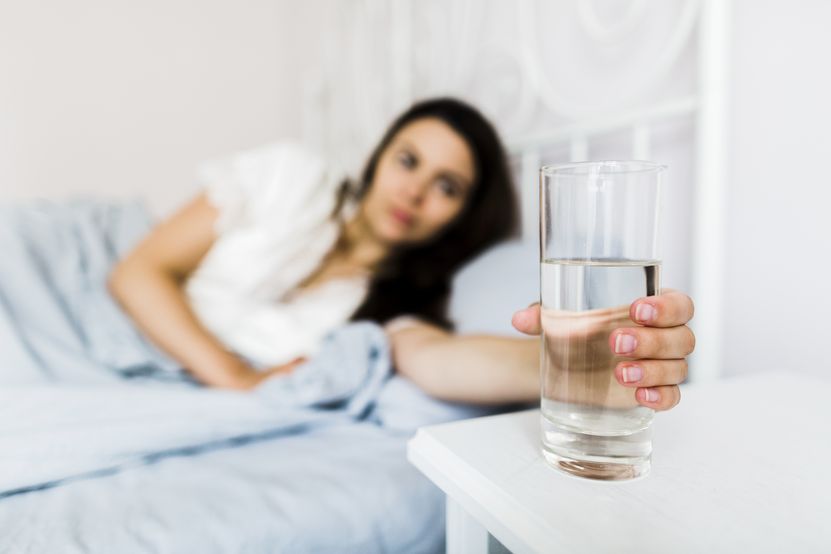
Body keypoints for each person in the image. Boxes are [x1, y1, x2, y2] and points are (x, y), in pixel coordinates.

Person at [109, 98, 694, 411]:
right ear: (379, 156)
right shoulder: (293, 176)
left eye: (447, 187)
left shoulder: (395, 309)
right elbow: (136, 274)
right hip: (117, 330)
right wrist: (237, 378)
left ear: (462, 218)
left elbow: (440, 360)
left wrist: (604, 368)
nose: (414, 192)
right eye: (409, 160)